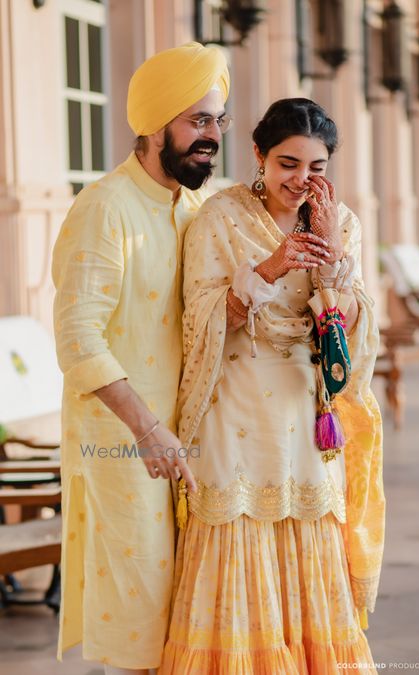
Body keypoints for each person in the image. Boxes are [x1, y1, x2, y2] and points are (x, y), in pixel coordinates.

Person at [160, 98, 385, 674]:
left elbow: (355, 336)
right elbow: (200, 322)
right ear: (258, 154)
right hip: (234, 409)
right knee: (238, 544)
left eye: (315, 167)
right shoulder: (219, 217)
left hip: (307, 413)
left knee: (309, 545)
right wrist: (271, 267)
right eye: (288, 163)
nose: (301, 180)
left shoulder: (341, 221)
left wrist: (333, 263)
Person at [52, 42, 230, 674]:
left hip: (186, 444)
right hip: (127, 446)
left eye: (219, 121)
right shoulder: (105, 209)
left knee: (185, 620)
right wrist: (148, 430)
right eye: (199, 121)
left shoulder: (193, 207)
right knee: (137, 623)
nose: (213, 136)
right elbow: (78, 338)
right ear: (156, 125)